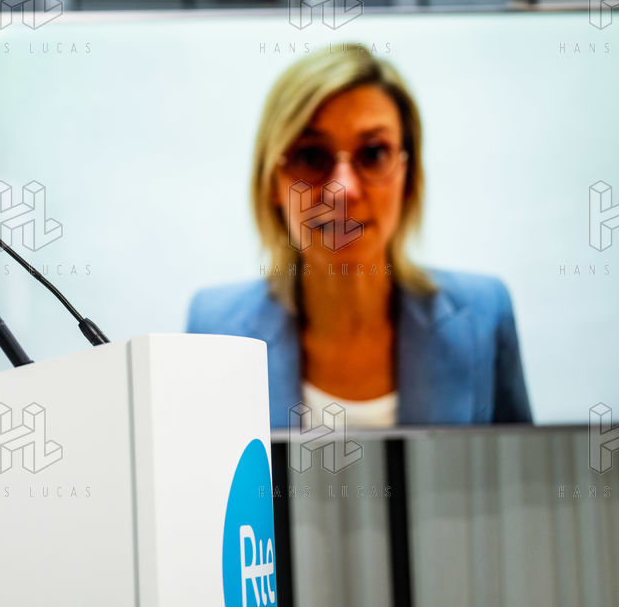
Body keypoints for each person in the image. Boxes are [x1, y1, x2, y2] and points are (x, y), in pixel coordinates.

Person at [187, 44, 531, 429]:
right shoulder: (214, 330)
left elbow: (522, 468)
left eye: (374, 154)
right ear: (272, 183)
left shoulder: (484, 315)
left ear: (408, 177)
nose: (343, 190)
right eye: (311, 156)